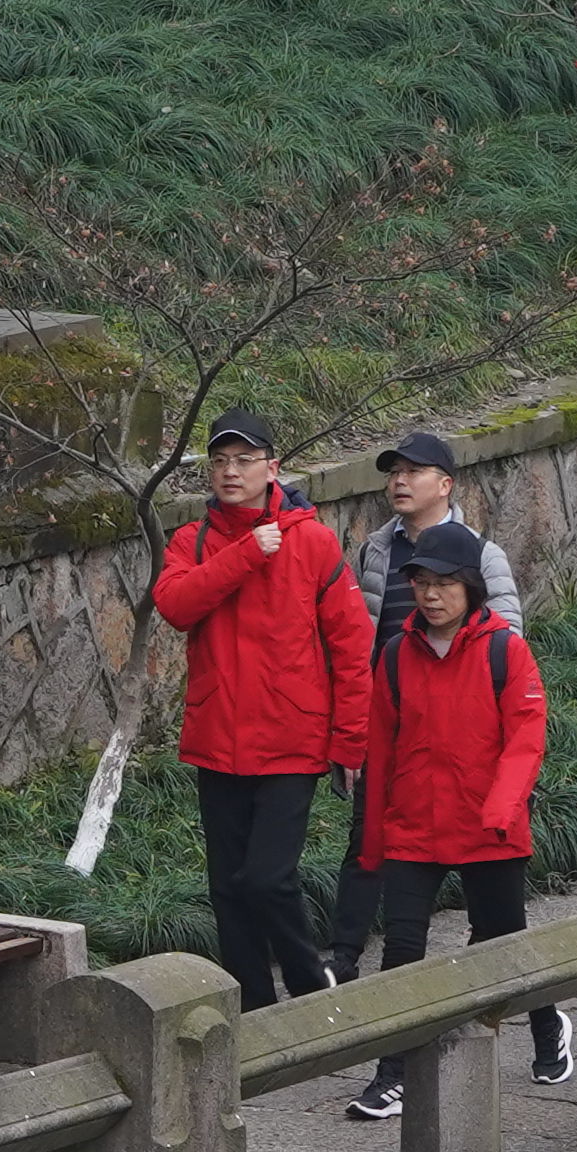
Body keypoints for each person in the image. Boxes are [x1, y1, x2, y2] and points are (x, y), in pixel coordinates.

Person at [328, 431, 560, 1069]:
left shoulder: (501, 650)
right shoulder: (398, 656)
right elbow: (382, 743)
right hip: (415, 825)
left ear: (470, 588)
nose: (430, 595)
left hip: (487, 821)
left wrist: (501, 808)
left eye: (444, 585)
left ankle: (546, 1026)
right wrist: (374, 830)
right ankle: (392, 1073)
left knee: (501, 942)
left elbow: (526, 737)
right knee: (404, 949)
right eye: (421, 583)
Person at [153, 414, 366, 1011]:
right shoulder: (191, 541)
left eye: (243, 461)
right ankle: (252, 1007)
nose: (229, 471)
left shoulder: (312, 541)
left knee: (266, 878)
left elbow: (351, 647)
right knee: (227, 887)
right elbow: (175, 605)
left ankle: (306, 980)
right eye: (220, 461)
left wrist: (350, 742)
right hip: (217, 738)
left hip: (291, 739)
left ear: (272, 468)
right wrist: (245, 553)